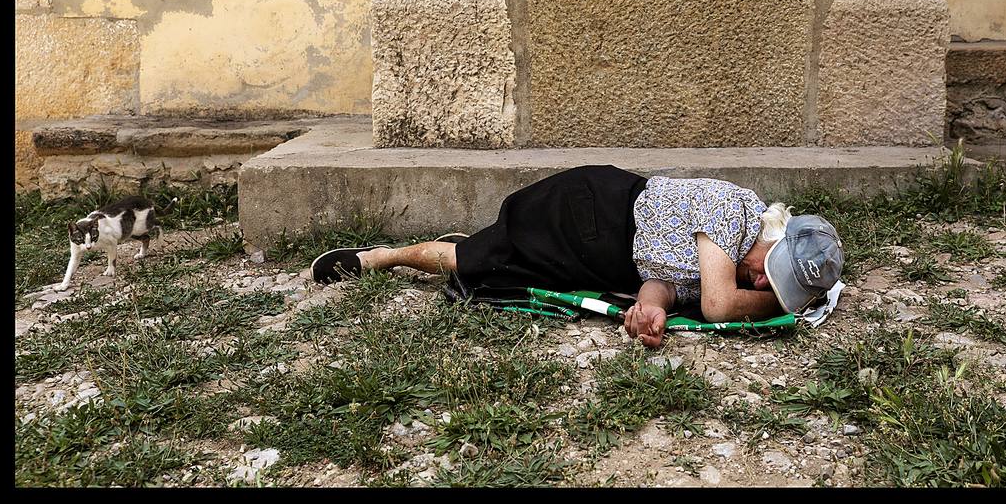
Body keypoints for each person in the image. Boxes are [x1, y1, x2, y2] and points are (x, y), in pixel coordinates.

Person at [311, 165, 844, 348]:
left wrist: (650, 309)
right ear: (775, 239)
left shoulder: (719, 266)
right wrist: (780, 309)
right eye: (768, 275)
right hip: (591, 214)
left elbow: (661, 283)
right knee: (470, 259)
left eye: (769, 287)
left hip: (601, 261)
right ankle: (380, 257)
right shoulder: (736, 210)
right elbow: (719, 307)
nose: (759, 283)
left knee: (480, 265)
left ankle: (462, 248)